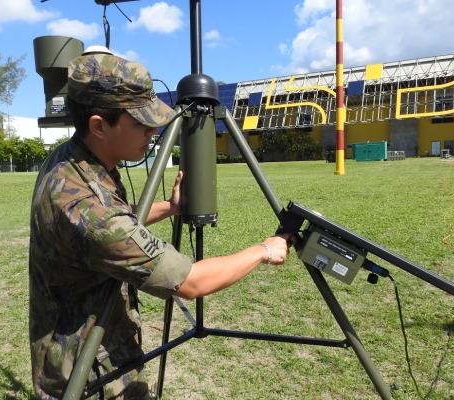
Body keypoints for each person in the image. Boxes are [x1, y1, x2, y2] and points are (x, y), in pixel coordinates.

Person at [28, 48, 292, 399]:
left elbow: (114, 224)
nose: (154, 130)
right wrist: (264, 250)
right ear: (99, 125)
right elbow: (190, 282)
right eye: (141, 122)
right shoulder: (83, 204)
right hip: (89, 376)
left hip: (90, 352)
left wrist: (169, 207)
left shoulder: (73, 159)